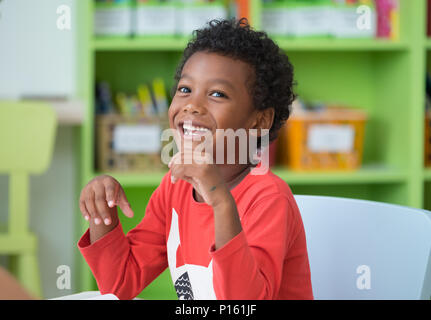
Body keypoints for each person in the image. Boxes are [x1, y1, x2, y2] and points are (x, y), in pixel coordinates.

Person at [77, 18, 313, 300]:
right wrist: (102, 213)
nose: (191, 105)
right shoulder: (174, 187)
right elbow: (120, 284)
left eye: (217, 94)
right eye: (185, 89)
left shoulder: (269, 198)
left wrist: (221, 201)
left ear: (259, 120)